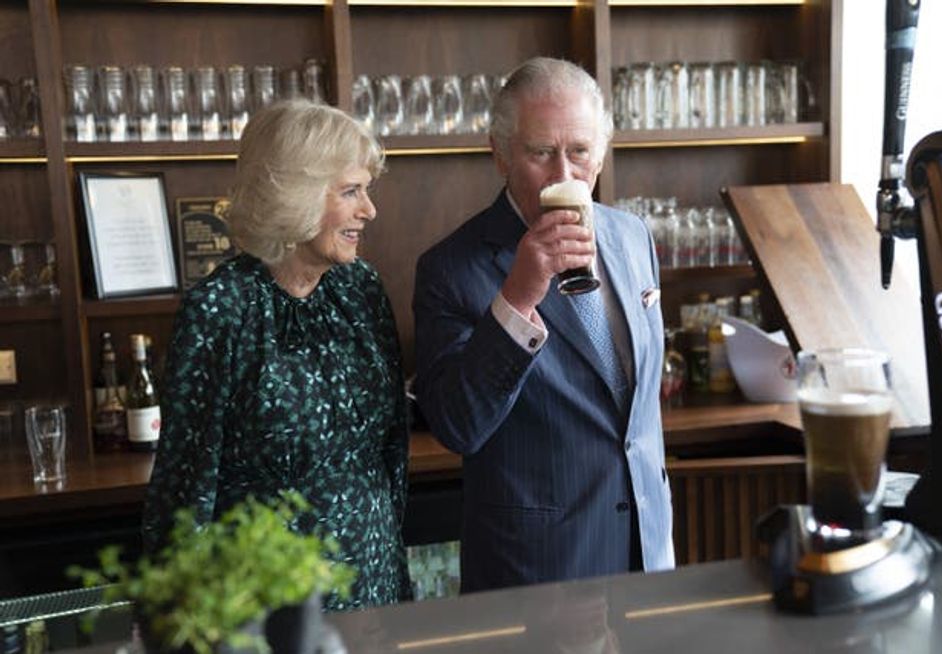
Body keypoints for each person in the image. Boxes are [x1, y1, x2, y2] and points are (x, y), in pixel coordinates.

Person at [413, 57, 674, 593]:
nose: (563, 175)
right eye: (540, 153)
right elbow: (458, 426)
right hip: (537, 574)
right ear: (500, 155)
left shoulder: (632, 235)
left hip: (647, 555)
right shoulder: (449, 267)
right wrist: (518, 294)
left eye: (579, 151)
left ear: (600, 152)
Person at [142, 99, 411, 610]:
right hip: (269, 603)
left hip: (375, 585)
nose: (369, 210)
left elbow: (390, 451)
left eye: (366, 190)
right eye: (351, 191)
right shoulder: (221, 309)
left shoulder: (362, 289)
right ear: (297, 195)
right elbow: (185, 485)